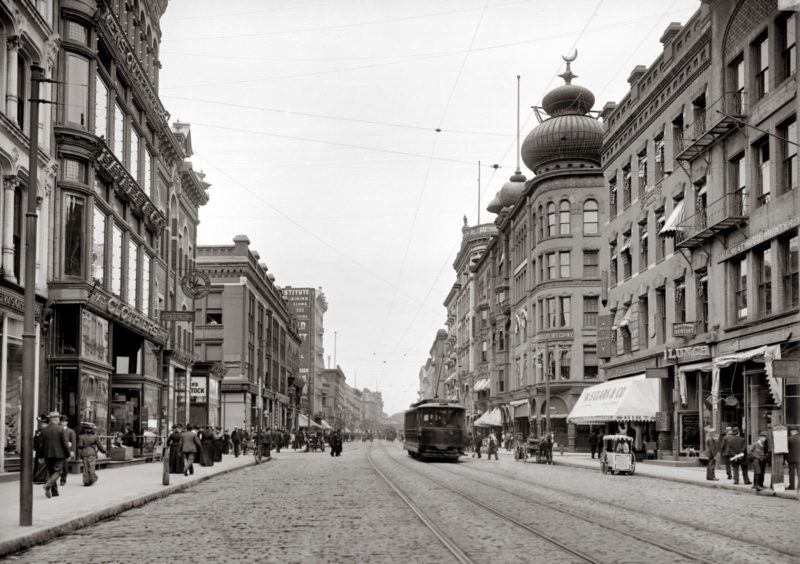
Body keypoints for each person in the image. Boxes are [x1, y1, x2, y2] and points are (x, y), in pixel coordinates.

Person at [40, 411, 70, 498]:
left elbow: (41, 445)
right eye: (58, 418)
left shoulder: (44, 430)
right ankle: (47, 485)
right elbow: (65, 443)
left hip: (47, 454)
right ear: (56, 419)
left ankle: (54, 492)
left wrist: (41, 456)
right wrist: (68, 454)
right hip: (59, 454)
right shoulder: (61, 429)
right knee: (58, 472)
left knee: (51, 472)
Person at [59, 415, 77, 486]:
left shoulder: (70, 431)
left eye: (65, 421)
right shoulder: (58, 429)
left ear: (67, 422)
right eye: (62, 421)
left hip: (67, 451)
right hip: (58, 450)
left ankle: (63, 480)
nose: (63, 423)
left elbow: (73, 441)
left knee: (65, 467)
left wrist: (72, 451)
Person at [33, 415, 49, 485]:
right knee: (38, 464)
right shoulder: (38, 431)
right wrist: (35, 446)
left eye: (43, 423)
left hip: (45, 449)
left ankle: (43, 478)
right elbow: (35, 440)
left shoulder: (48, 431)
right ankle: (38, 478)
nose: (42, 425)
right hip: (39, 450)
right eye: (41, 423)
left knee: (43, 464)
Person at [786, 427, 799, 492]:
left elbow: (786, 449)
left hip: (791, 458)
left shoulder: (788, 439)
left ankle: (792, 486)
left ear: (791, 432)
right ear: (797, 432)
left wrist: (785, 458)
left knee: (792, 472)